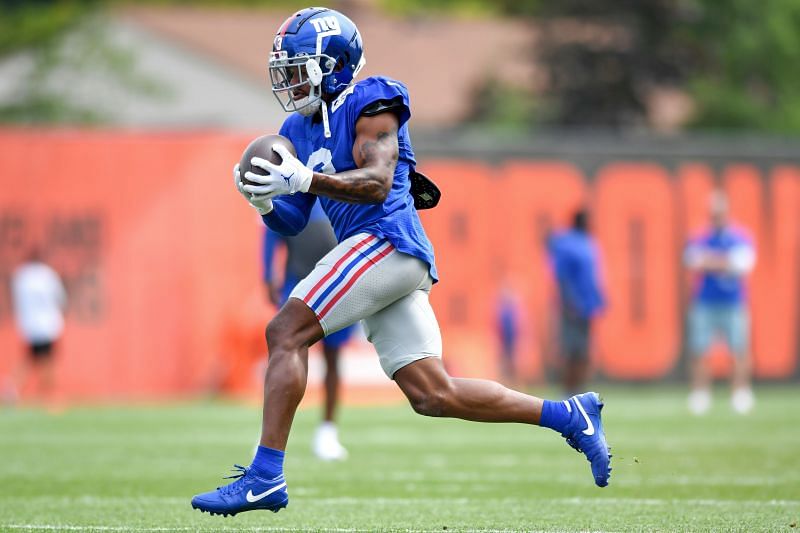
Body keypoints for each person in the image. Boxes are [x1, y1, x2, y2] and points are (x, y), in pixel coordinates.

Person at [191, 7, 611, 517]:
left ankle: (264, 476)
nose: (291, 80)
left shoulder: (370, 102)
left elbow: (377, 182)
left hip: (387, 240)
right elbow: (293, 222)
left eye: (299, 66)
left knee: (285, 331)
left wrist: (302, 179)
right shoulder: (297, 129)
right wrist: (264, 201)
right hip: (379, 258)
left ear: (335, 64)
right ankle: (570, 416)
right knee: (434, 394)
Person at [262, 200, 354, 461]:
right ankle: (272, 436)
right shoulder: (292, 191)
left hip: (337, 284)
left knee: (333, 357)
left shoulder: (340, 190)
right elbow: (272, 228)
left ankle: (328, 432)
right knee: (286, 353)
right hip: (297, 281)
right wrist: (267, 274)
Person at [684, 191, 756, 415]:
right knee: (699, 349)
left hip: (733, 302)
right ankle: (700, 393)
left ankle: (740, 392)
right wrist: (725, 261)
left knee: (739, 349)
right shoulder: (700, 237)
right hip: (705, 302)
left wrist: (710, 261)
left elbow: (743, 264)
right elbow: (692, 260)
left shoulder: (739, 236)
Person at [547, 210, 606, 398]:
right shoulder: (569, 245)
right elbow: (562, 277)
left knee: (583, 350)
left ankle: (579, 390)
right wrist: (569, 301)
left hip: (586, 307)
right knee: (570, 349)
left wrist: (599, 300)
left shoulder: (586, 243)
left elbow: (592, 277)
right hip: (572, 307)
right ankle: (568, 390)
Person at [4, 247, 67, 405]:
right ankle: (49, 396)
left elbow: (17, 301)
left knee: (31, 359)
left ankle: (11, 388)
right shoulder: (48, 275)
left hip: (30, 326)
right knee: (47, 361)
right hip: (47, 325)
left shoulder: (22, 276)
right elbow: (61, 299)